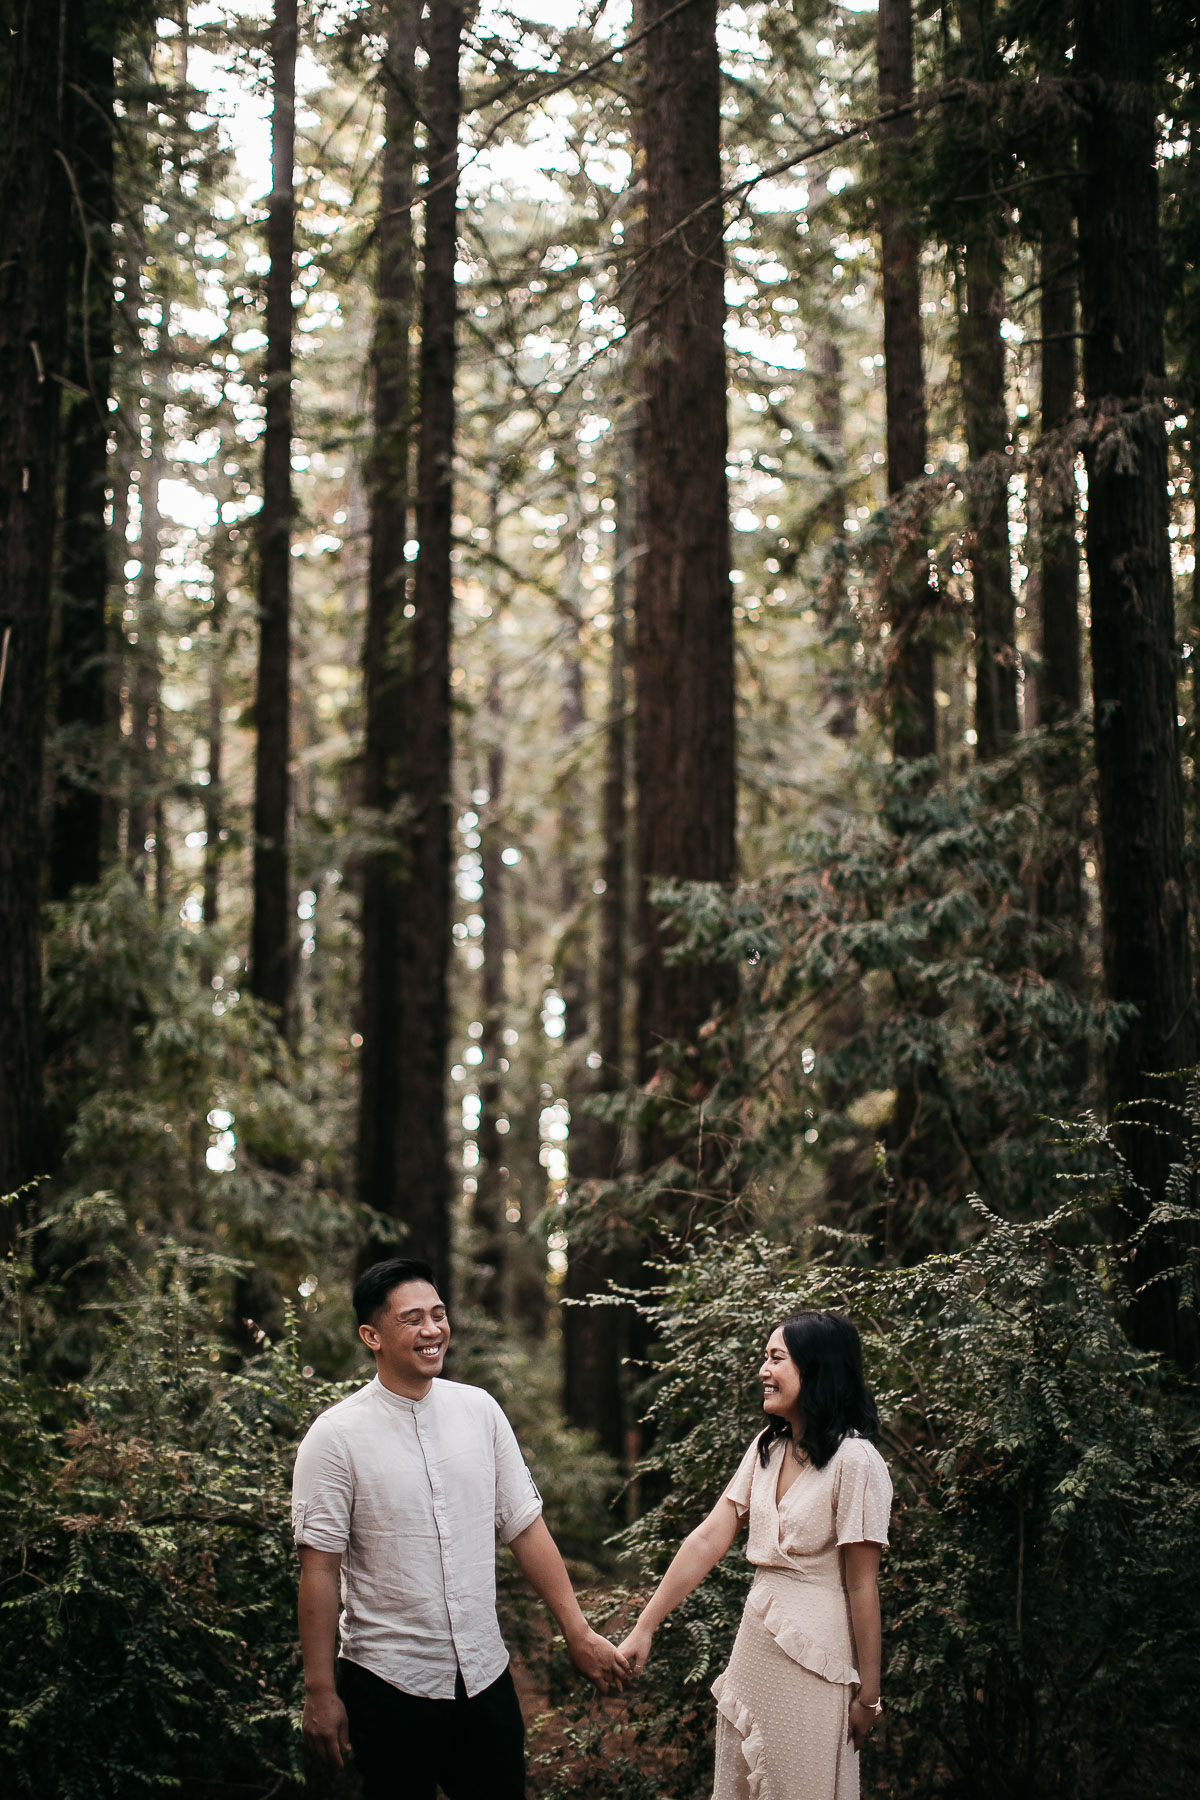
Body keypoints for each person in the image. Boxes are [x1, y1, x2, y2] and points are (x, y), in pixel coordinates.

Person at [292, 1256, 629, 1799]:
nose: (432, 1331)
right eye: (412, 1319)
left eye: (439, 1314)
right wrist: (320, 1692)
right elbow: (320, 1570)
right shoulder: (335, 1437)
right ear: (371, 1335)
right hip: (387, 1681)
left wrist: (578, 1630)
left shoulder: (480, 1411)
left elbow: (525, 1529)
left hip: (484, 1674)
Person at [618, 1310, 891, 1800]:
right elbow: (707, 1540)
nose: (763, 1370)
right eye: (764, 1358)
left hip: (816, 1662)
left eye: (776, 1358)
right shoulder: (768, 1448)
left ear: (817, 1369)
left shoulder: (857, 1462)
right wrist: (646, 1624)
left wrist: (869, 1695)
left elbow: (861, 1583)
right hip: (754, 1653)